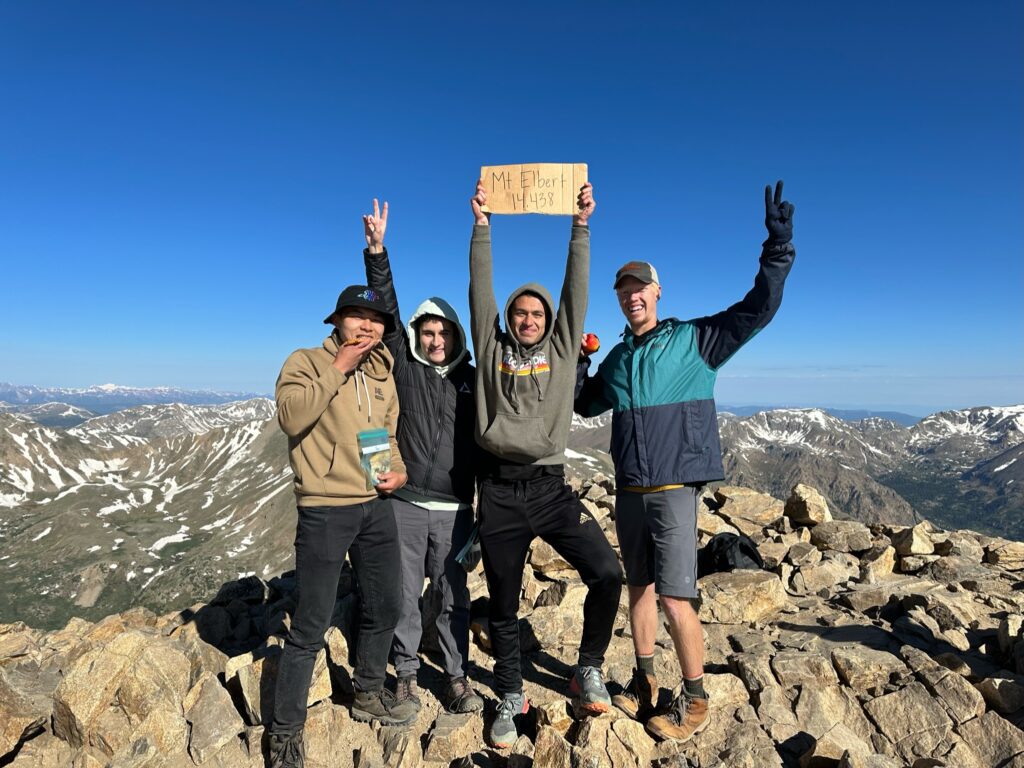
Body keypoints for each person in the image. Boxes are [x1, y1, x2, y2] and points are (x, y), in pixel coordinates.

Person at [574, 181, 796, 743]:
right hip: (629, 491)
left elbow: (760, 308)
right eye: (625, 290)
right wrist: (580, 363)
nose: (633, 297)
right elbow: (584, 403)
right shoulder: (620, 358)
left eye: (641, 287)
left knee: (676, 595)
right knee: (640, 589)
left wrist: (778, 246)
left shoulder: (695, 340)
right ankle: (646, 683)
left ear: (657, 291)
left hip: (673, 489)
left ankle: (694, 699)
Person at [468, 179, 624, 749]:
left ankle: (588, 666)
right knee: (504, 602)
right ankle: (511, 692)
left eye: (537, 312)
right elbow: (480, 288)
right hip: (500, 494)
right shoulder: (491, 348)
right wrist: (482, 225)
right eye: (520, 312)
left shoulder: (561, 351)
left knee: (607, 573)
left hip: (551, 489)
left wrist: (580, 226)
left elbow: (575, 287)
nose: (529, 318)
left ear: (548, 320)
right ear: (509, 319)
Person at [268, 283, 416, 767]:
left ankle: (368, 691)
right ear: (337, 321)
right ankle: (285, 733)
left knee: (386, 602)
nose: (367, 325)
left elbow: (385, 435)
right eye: (356, 316)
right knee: (310, 622)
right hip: (325, 507)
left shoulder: (382, 374)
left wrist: (399, 470)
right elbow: (292, 418)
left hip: (375, 505)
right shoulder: (306, 362)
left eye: (375, 320)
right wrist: (337, 369)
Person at [360, 199, 484, 715]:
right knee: (406, 593)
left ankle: (455, 675)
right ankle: (407, 674)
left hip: (455, 509)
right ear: (418, 335)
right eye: (428, 332)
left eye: (443, 332)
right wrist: (377, 251)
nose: (435, 340)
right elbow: (386, 312)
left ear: (455, 337)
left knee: (454, 596)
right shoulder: (405, 368)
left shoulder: (472, 380)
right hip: (407, 503)